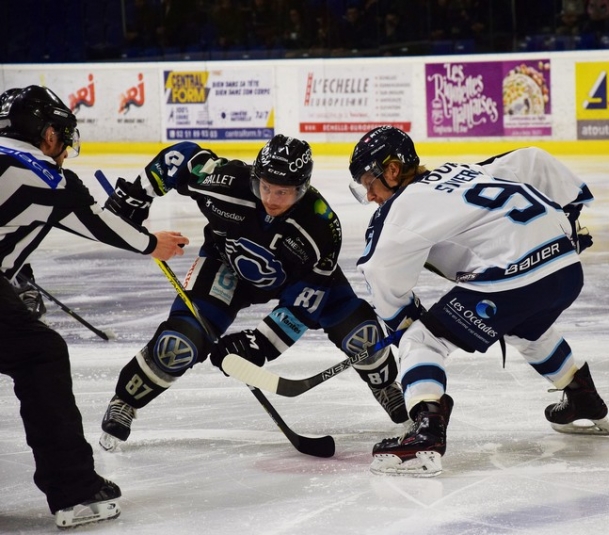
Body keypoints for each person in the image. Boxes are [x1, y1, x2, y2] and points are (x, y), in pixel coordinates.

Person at [99, 135, 408, 453]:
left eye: (283, 191)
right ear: (256, 177)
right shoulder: (226, 183)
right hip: (226, 267)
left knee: (362, 335)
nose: (272, 199)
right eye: (266, 187)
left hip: (298, 280)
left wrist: (257, 346)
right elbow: (181, 157)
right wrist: (138, 195)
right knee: (179, 343)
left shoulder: (321, 226)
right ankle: (126, 401)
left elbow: (303, 304)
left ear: (302, 188)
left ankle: (385, 385)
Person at [346, 126, 609, 476]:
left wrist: (402, 322)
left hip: (514, 276)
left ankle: (426, 430)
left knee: (421, 340)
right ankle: (583, 398)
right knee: (522, 328)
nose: (369, 195)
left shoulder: (401, 206)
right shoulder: (463, 170)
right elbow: (532, 160)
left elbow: (379, 269)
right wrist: (571, 212)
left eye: (369, 182)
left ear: (393, 170)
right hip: (565, 267)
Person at [0, 85, 190, 528]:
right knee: (40, 354)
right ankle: (75, 492)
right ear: (47, 135)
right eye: (62, 135)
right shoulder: (42, 172)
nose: (64, 146)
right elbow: (95, 222)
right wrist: (152, 243)